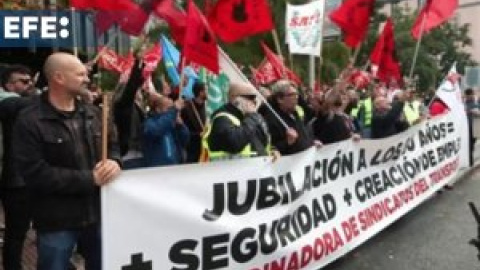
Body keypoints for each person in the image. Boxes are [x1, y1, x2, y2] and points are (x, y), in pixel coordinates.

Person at [12, 52, 121, 270]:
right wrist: (89, 179)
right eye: (80, 74)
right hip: (56, 222)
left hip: (98, 216)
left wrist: (115, 163)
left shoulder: (94, 114)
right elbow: (34, 172)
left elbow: (113, 147)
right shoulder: (30, 120)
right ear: (59, 78)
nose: (87, 79)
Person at [0, 64, 37, 270]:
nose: (29, 83)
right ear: (8, 85)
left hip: (26, 177)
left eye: (31, 80)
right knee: (16, 233)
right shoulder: (7, 102)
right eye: (23, 81)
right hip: (15, 181)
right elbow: (23, 105)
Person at [203, 82, 271, 161]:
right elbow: (235, 143)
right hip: (227, 170)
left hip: (251, 169)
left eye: (255, 97)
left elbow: (260, 141)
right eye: (250, 97)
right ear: (234, 98)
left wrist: (272, 150)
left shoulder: (248, 116)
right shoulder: (221, 118)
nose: (254, 101)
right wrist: (252, 117)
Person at [262, 80, 313, 155]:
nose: (296, 98)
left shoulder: (296, 113)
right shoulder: (271, 119)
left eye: (297, 94)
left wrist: (313, 141)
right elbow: (269, 149)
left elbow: (305, 134)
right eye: (292, 94)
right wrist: (287, 142)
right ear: (280, 99)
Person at [142, 93, 190, 166]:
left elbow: (185, 140)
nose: (172, 111)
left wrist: (181, 126)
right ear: (158, 109)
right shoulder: (150, 123)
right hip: (156, 170)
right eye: (169, 109)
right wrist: (174, 111)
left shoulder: (172, 123)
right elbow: (157, 130)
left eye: (172, 108)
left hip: (174, 167)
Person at [181, 81, 207, 163]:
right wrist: (198, 135)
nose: (208, 92)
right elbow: (184, 131)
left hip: (203, 149)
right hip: (191, 150)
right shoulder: (187, 108)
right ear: (201, 93)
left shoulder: (205, 106)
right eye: (206, 90)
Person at [464, 88, 480, 167]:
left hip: (474, 127)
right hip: (466, 127)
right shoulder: (464, 104)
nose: (473, 96)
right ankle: (470, 162)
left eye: (473, 94)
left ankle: (470, 161)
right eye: (471, 94)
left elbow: (478, 113)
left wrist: (476, 112)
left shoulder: (476, 103)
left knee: (472, 145)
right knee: (469, 145)